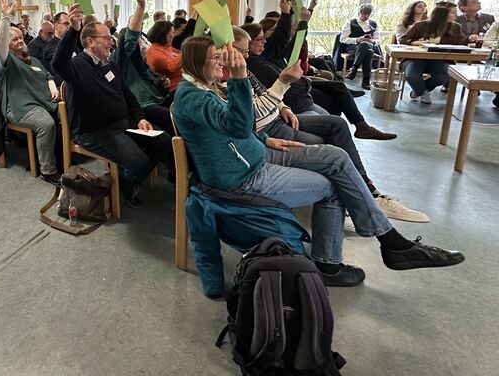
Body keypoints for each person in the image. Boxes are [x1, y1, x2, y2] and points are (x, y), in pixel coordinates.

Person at [172, 36, 463, 286]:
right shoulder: (192, 97)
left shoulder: (207, 88)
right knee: (334, 187)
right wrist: (239, 78)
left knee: (336, 156)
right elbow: (235, 126)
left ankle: (389, 241)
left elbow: (234, 130)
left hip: (254, 155)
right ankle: (335, 263)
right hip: (242, 178)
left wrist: (263, 139)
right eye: (216, 58)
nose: (223, 63)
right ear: (197, 62)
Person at [231, 27, 426, 222]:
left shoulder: (245, 68)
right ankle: (364, 200)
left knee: (337, 122)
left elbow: (262, 90)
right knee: (327, 145)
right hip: (269, 128)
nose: (247, 54)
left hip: (280, 116)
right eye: (243, 50)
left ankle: (367, 187)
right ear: (228, 49)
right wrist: (285, 83)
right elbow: (249, 114)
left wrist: (282, 106)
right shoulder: (238, 73)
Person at [51, 4, 172, 207]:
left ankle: (125, 178)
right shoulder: (77, 66)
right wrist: (73, 29)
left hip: (123, 123)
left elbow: (128, 95)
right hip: (96, 131)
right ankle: (124, 180)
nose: (111, 41)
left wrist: (140, 118)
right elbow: (58, 63)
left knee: (164, 141)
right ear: (90, 42)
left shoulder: (110, 65)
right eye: (106, 38)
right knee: (139, 162)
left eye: (110, 37)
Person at [243, 22, 396, 140]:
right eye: (260, 39)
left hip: (295, 86)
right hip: (293, 93)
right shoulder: (256, 61)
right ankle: (352, 129)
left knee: (335, 87)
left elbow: (290, 51)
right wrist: (305, 81)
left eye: (264, 38)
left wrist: (302, 21)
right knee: (334, 98)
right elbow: (281, 84)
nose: (265, 42)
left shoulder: (264, 55)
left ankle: (357, 127)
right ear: (248, 43)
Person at [0, 0, 61, 183]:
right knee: (46, 124)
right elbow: (1, 42)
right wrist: (5, 18)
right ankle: (48, 170)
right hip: (19, 107)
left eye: (20, 38)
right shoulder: (5, 60)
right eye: (14, 39)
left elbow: (48, 76)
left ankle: (62, 157)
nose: (19, 41)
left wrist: (53, 89)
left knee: (67, 115)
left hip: (43, 101)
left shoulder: (31, 59)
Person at [113, 0, 173, 133]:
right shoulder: (121, 58)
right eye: (139, 39)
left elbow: (149, 80)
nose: (142, 42)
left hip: (157, 97)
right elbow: (131, 37)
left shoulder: (139, 59)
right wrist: (141, 6)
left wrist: (161, 82)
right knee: (176, 119)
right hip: (143, 104)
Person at [399, 5, 468, 104]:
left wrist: (470, 39)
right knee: (412, 75)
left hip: (440, 59)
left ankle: (419, 90)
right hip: (416, 58)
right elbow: (403, 39)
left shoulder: (456, 27)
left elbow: (460, 42)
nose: (455, 15)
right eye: (453, 13)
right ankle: (422, 92)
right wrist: (417, 42)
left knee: (442, 77)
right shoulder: (420, 25)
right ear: (442, 15)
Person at [340, 4, 380, 89]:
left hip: (370, 45)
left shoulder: (374, 24)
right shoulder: (350, 23)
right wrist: (358, 39)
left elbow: (378, 40)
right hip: (354, 47)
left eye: (368, 14)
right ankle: (366, 80)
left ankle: (354, 68)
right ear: (359, 13)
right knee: (368, 51)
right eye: (364, 14)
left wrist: (371, 40)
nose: (366, 16)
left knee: (365, 45)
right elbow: (342, 39)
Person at [146, 20, 182, 93]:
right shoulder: (153, 52)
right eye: (172, 32)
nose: (174, 34)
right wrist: (186, 52)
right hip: (174, 88)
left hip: (182, 83)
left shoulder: (167, 47)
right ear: (165, 35)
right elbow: (170, 68)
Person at [42, 11, 71, 83]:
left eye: (70, 24)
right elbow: (57, 76)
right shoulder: (51, 48)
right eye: (66, 24)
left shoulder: (72, 44)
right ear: (56, 25)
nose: (68, 27)